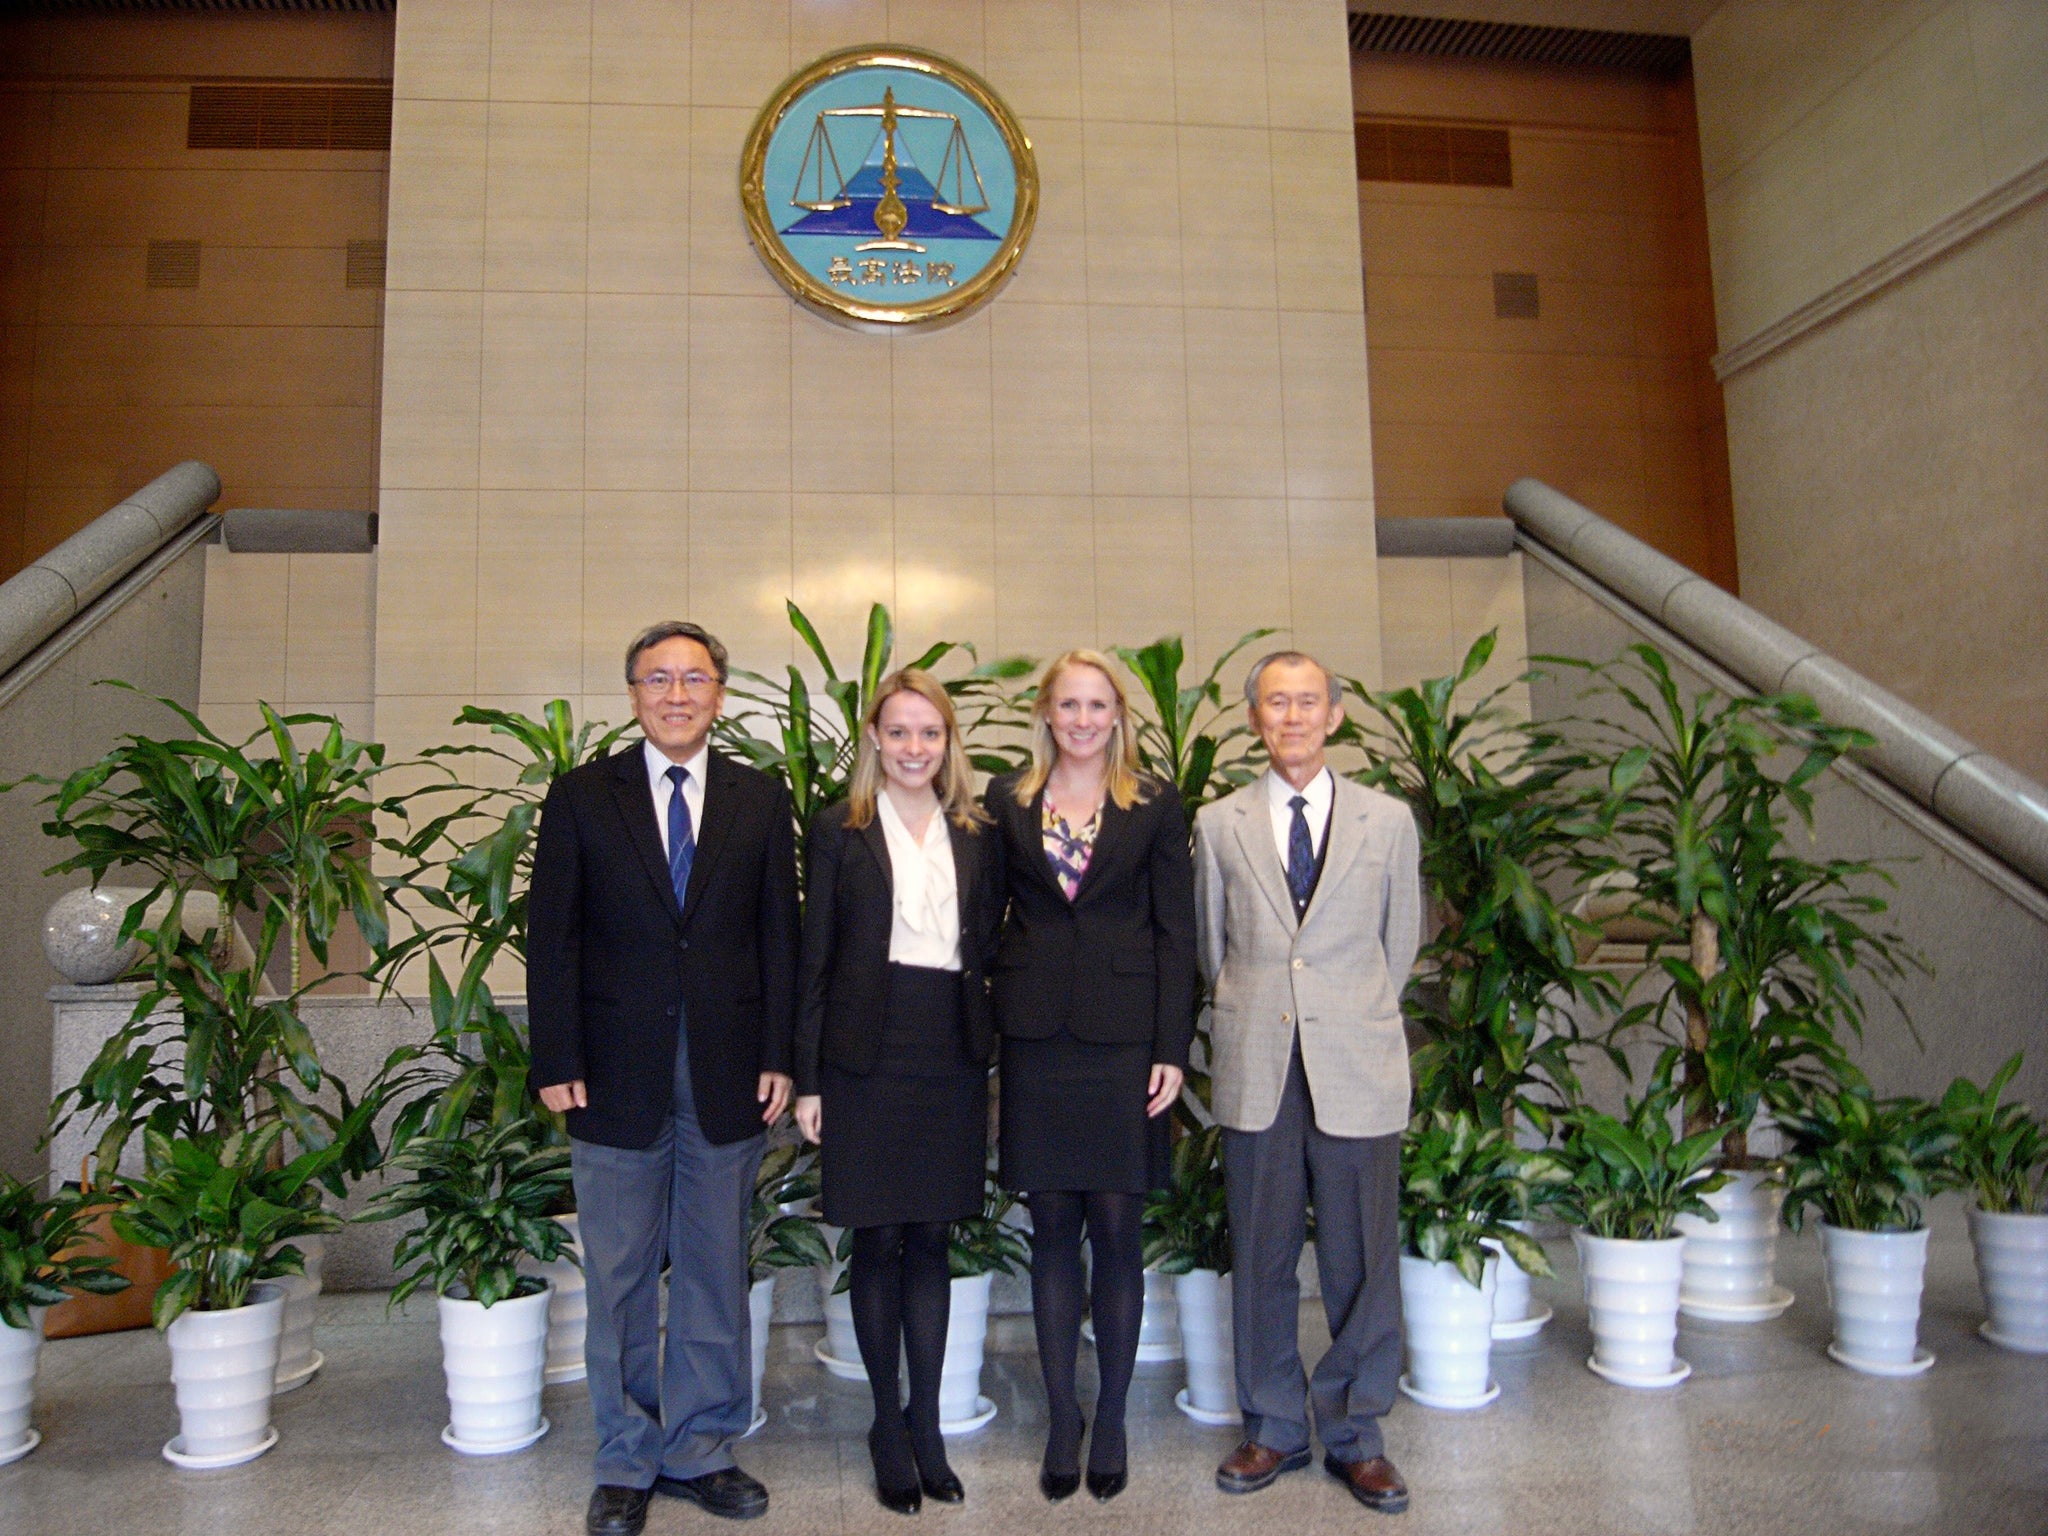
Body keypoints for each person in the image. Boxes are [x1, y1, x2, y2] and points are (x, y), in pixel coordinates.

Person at [528, 620, 800, 1536]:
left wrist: (780, 1054)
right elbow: (552, 937)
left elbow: (779, 940)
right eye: (657, 678)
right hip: (609, 1073)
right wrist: (556, 1058)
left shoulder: (760, 800)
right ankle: (625, 1457)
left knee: (718, 1265)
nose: (676, 694)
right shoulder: (579, 797)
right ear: (633, 693)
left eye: (693, 678)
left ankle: (703, 1448)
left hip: (729, 1070)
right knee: (618, 1273)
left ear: (721, 692)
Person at [1192, 650, 1421, 1516]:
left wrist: (1344, 1015)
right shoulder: (1220, 824)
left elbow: (1400, 946)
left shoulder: (1387, 821)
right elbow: (1215, 952)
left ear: (1334, 715)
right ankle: (1275, 1425)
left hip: (1355, 1064)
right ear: (1256, 719)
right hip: (1260, 1063)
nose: (1292, 717)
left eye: (1308, 702)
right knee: (1261, 1252)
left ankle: (1358, 1431)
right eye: (1275, 703)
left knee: (1363, 1255)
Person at [982, 649, 1197, 1504]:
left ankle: (1110, 1416)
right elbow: (981, 910)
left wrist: (1171, 1048)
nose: (1081, 719)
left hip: (1122, 1043)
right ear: (1046, 713)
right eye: (1067, 704)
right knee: (1050, 1233)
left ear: (1118, 714)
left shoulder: (1153, 803)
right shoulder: (1008, 799)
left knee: (1115, 1231)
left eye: (1096, 704)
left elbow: (1176, 934)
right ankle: (1063, 1415)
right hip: (1036, 1038)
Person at [792, 669, 1003, 1516]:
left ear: (949, 742)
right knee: (877, 1240)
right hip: (862, 1053)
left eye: (931, 733)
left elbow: (988, 942)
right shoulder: (839, 830)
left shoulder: (978, 831)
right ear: (875, 739)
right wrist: (807, 1078)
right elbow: (815, 959)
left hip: (948, 1046)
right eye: (900, 732)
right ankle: (887, 1423)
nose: (916, 748)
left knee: (932, 1237)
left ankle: (928, 1426)